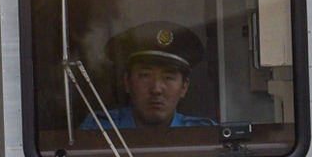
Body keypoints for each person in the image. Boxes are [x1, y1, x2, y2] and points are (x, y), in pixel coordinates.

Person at [80, 20, 216, 131]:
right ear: (127, 82)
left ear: (184, 87)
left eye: (168, 78)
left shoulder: (202, 134)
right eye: (145, 75)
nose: (156, 89)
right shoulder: (99, 131)